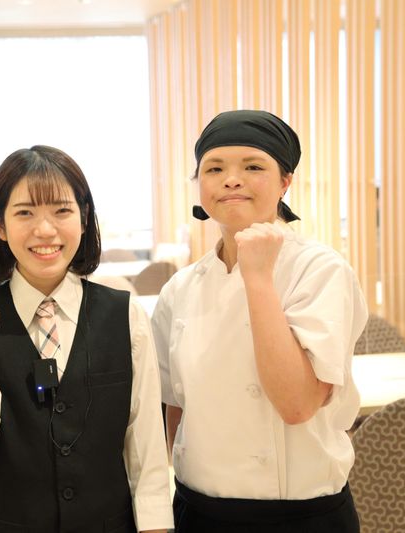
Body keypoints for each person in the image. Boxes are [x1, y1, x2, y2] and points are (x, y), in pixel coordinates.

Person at [0, 145, 173, 532]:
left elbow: (146, 450)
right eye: (25, 213)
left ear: (84, 218)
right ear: (0, 225)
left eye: (61, 211)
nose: (45, 230)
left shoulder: (126, 316)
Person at [152, 109, 368, 532]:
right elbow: (175, 409)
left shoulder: (320, 270)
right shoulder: (180, 288)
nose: (231, 180)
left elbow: (297, 404)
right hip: (199, 511)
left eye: (253, 167)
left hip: (298, 517)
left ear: (285, 182)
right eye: (214, 168)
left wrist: (257, 276)